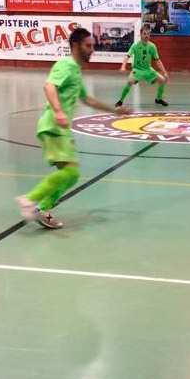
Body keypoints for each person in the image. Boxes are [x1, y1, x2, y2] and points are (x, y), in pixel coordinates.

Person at [16, 28, 129, 229]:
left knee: (71, 175)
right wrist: (59, 111)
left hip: (60, 128)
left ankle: (42, 209)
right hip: (53, 125)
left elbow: (88, 99)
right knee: (70, 172)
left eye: (92, 46)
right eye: (88, 46)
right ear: (76, 45)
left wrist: (115, 111)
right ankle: (30, 199)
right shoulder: (66, 65)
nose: (92, 49)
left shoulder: (75, 70)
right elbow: (49, 86)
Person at [116, 25, 170, 107]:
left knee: (162, 80)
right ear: (141, 34)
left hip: (148, 69)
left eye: (148, 34)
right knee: (130, 82)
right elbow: (127, 56)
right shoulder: (135, 45)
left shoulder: (152, 46)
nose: (146, 36)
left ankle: (158, 99)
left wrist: (164, 72)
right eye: (144, 34)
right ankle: (120, 101)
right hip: (137, 70)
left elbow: (157, 61)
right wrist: (123, 66)